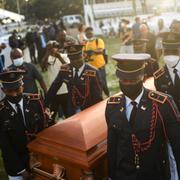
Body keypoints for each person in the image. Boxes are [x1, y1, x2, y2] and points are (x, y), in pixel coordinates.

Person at [105, 53, 180, 180]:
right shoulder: (112, 105)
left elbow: (177, 143)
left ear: (143, 77)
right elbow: (112, 146)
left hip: (155, 173)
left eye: (133, 80)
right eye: (124, 80)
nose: (128, 83)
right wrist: (112, 175)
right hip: (124, 174)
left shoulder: (163, 103)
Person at [0, 69, 47, 180]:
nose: (14, 94)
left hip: (39, 159)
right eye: (9, 91)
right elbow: (5, 146)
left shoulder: (35, 101)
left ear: (23, 85)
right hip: (15, 165)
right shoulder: (1, 112)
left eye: (17, 89)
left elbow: (44, 129)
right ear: (3, 90)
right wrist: (22, 170)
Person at [45, 45, 103, 116]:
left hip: (89, 109)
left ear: (83, 56)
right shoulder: (65, 70)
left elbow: (98, 96)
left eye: (78, 58)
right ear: (68, 58)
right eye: (72, 59)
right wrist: (45, 105)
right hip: (72, 108)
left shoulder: (93, 72)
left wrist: (98, 113)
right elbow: (54, 88)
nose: (75, 61)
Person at [154, 31, 180, 111]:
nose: (171, 55)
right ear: (163, 52)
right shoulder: (158, 77)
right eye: (167, 52)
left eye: (175, 52)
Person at [84, 27, 109, 97]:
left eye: (90, 33)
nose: (89, 35)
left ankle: (108, 96)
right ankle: (99, 99)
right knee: (95, 85)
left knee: (103, 83)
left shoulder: (98, 40)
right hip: (90, 67)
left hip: (100, 66)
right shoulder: (86, 43)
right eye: (87, 33)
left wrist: (92, 52)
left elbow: (101, 50)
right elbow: (84, 54)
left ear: (93, 33)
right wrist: (86, 55)